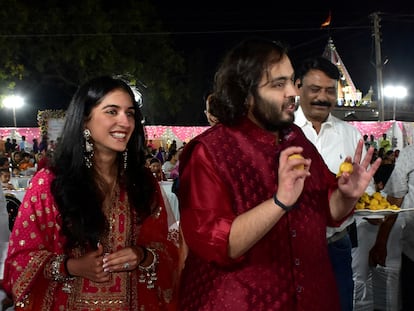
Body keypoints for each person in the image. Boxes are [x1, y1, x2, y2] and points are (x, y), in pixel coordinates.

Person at [177, 38, 380, 310]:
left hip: (313, 295)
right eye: (278, 84)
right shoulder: (209, 152)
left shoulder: (294, 138)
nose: (292, 93)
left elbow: (329, 209)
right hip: (242, 300)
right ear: (246, 94)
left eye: (291, 81)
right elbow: (220, 245)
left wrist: (347, 195)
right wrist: (279, 202)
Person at [3, 76, 181, 310]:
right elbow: (20, 261)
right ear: (85, 120)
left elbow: (167, 250)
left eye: (130, 113)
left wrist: (142, 256)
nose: (125, 122)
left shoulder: (142, 181)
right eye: (111, 111)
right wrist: (71, 266)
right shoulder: (50, 183)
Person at [294, 55, 372, 311]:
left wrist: (354, 195)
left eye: (329, 90)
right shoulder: (280, 132)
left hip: (336, 245)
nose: (322, 97)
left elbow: (364, 194)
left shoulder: (351, 135)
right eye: (314, 89)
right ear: (297, 87)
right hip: (290, 250)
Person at [379, 144, 414, 310]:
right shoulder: (410, 154)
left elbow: (395, 200)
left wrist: (381, 242)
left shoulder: (410, 153)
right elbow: (395, 200)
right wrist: (381, 241)